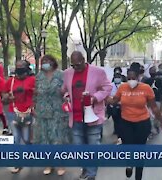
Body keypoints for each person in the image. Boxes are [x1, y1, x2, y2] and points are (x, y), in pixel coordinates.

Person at [107, 64, 162, 180]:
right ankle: (129, 163)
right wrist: (104, 97)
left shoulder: (146, 88)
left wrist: (161, 122)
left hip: (142, 123)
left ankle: (138, 176)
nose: (131, 81)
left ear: (138, 77)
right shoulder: (122, 88)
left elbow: (154, 107)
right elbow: (114, 101)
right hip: (126, 123)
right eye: (129, 78)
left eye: (133, 78)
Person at [62, 51, 112, 180]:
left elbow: (107, 87)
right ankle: (85, 169)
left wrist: (95, 97)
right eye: (73, 65)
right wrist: (66, 96)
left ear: (84, 60)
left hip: (93, 116)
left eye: (78, 65)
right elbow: (65, 90)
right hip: (76, 117)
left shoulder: (98, 72)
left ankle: (91, 175)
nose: (76, 68)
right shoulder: (67, 73)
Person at [33, 55, 70, 176]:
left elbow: (67, 90)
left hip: (57, 111)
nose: (45, 63)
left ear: (53, 62)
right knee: (45, 139)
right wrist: (33, 106)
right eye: (43, 62)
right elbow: (35, 93)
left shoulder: (61, 75)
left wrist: (65, 95)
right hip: (42, 111)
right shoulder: (38, 76)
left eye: (48, 61)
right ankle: (48, 164)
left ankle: (60, 164)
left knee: (58, 138)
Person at [4, 60, 35, 174]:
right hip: (14, 112)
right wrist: (7, 97)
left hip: (27, 113)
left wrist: (34, 105)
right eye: (17, 66)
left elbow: (38, 95)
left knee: (26, 139)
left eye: (21, 66)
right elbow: (3, 97)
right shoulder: (10, 81)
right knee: (16, 139)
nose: (19, 68)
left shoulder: (33, 80)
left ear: (27, 68)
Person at [143, 66, 162, 138]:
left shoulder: (146, 81)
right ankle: (155, 127)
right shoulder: (159, 80)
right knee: (156, 114)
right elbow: (161, 90)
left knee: (150, 115)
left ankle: (152, 130)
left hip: (150, 101)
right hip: (156, 99)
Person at [108, 72, 124, 144]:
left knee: (122, 122)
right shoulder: (110, 86)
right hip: (113, 106)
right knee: (116, 121)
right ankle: (118, 135)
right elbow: (108, 95)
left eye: (118, 77)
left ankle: (121, 136)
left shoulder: (124, 85)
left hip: (122, 106)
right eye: (116, 77)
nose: (117, 79)